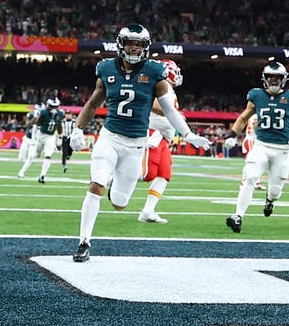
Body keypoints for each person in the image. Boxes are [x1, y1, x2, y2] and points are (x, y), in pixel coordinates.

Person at [69, 25, 210, 262]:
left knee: (120, 203)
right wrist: (76, 128)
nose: (134, 49)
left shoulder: (155, 72)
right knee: (96, 185)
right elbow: (93, 104)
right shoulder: (106, 69)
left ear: (146, 47)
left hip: (136, 144)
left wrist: (188, 135)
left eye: (139, 45)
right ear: (121, 45)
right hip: (110, 137)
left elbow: (169, 111)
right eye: (130, 44)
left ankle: (115, 189)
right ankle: (84, 242)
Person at [225, 61, 289, 233]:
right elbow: (243, 118)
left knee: (274, 191)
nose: (273, 80)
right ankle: (238, 216)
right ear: (264, 78)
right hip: (261, 146)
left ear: (284, 79)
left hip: (282, 150)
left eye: (277, 77)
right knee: (250, 178)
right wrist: (231, 136)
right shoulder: (256, 95)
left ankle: (270, 201)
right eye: (270, 77)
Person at [137, 58, 184, 224]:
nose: (177, 74)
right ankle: (115, 179)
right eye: (174, 70)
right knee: (147, 174)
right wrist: (173, 114)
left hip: (163, 137)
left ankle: (148, 211)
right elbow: (155, 105)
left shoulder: (169, 89)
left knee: (164, 174)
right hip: (153, 133)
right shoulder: (160, 86)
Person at [17, 96, 64, 183]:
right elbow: (37, 124)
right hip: (40, 136)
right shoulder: (43, 113)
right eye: (52, 106)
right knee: (33, 155)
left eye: (55, 107)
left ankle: (42, 176)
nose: (53, 109)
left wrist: (60, 136)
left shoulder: (60, 114)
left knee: (48, 155)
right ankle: (22, 171)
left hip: (50, 136)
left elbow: (59, 125)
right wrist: (37, 118)